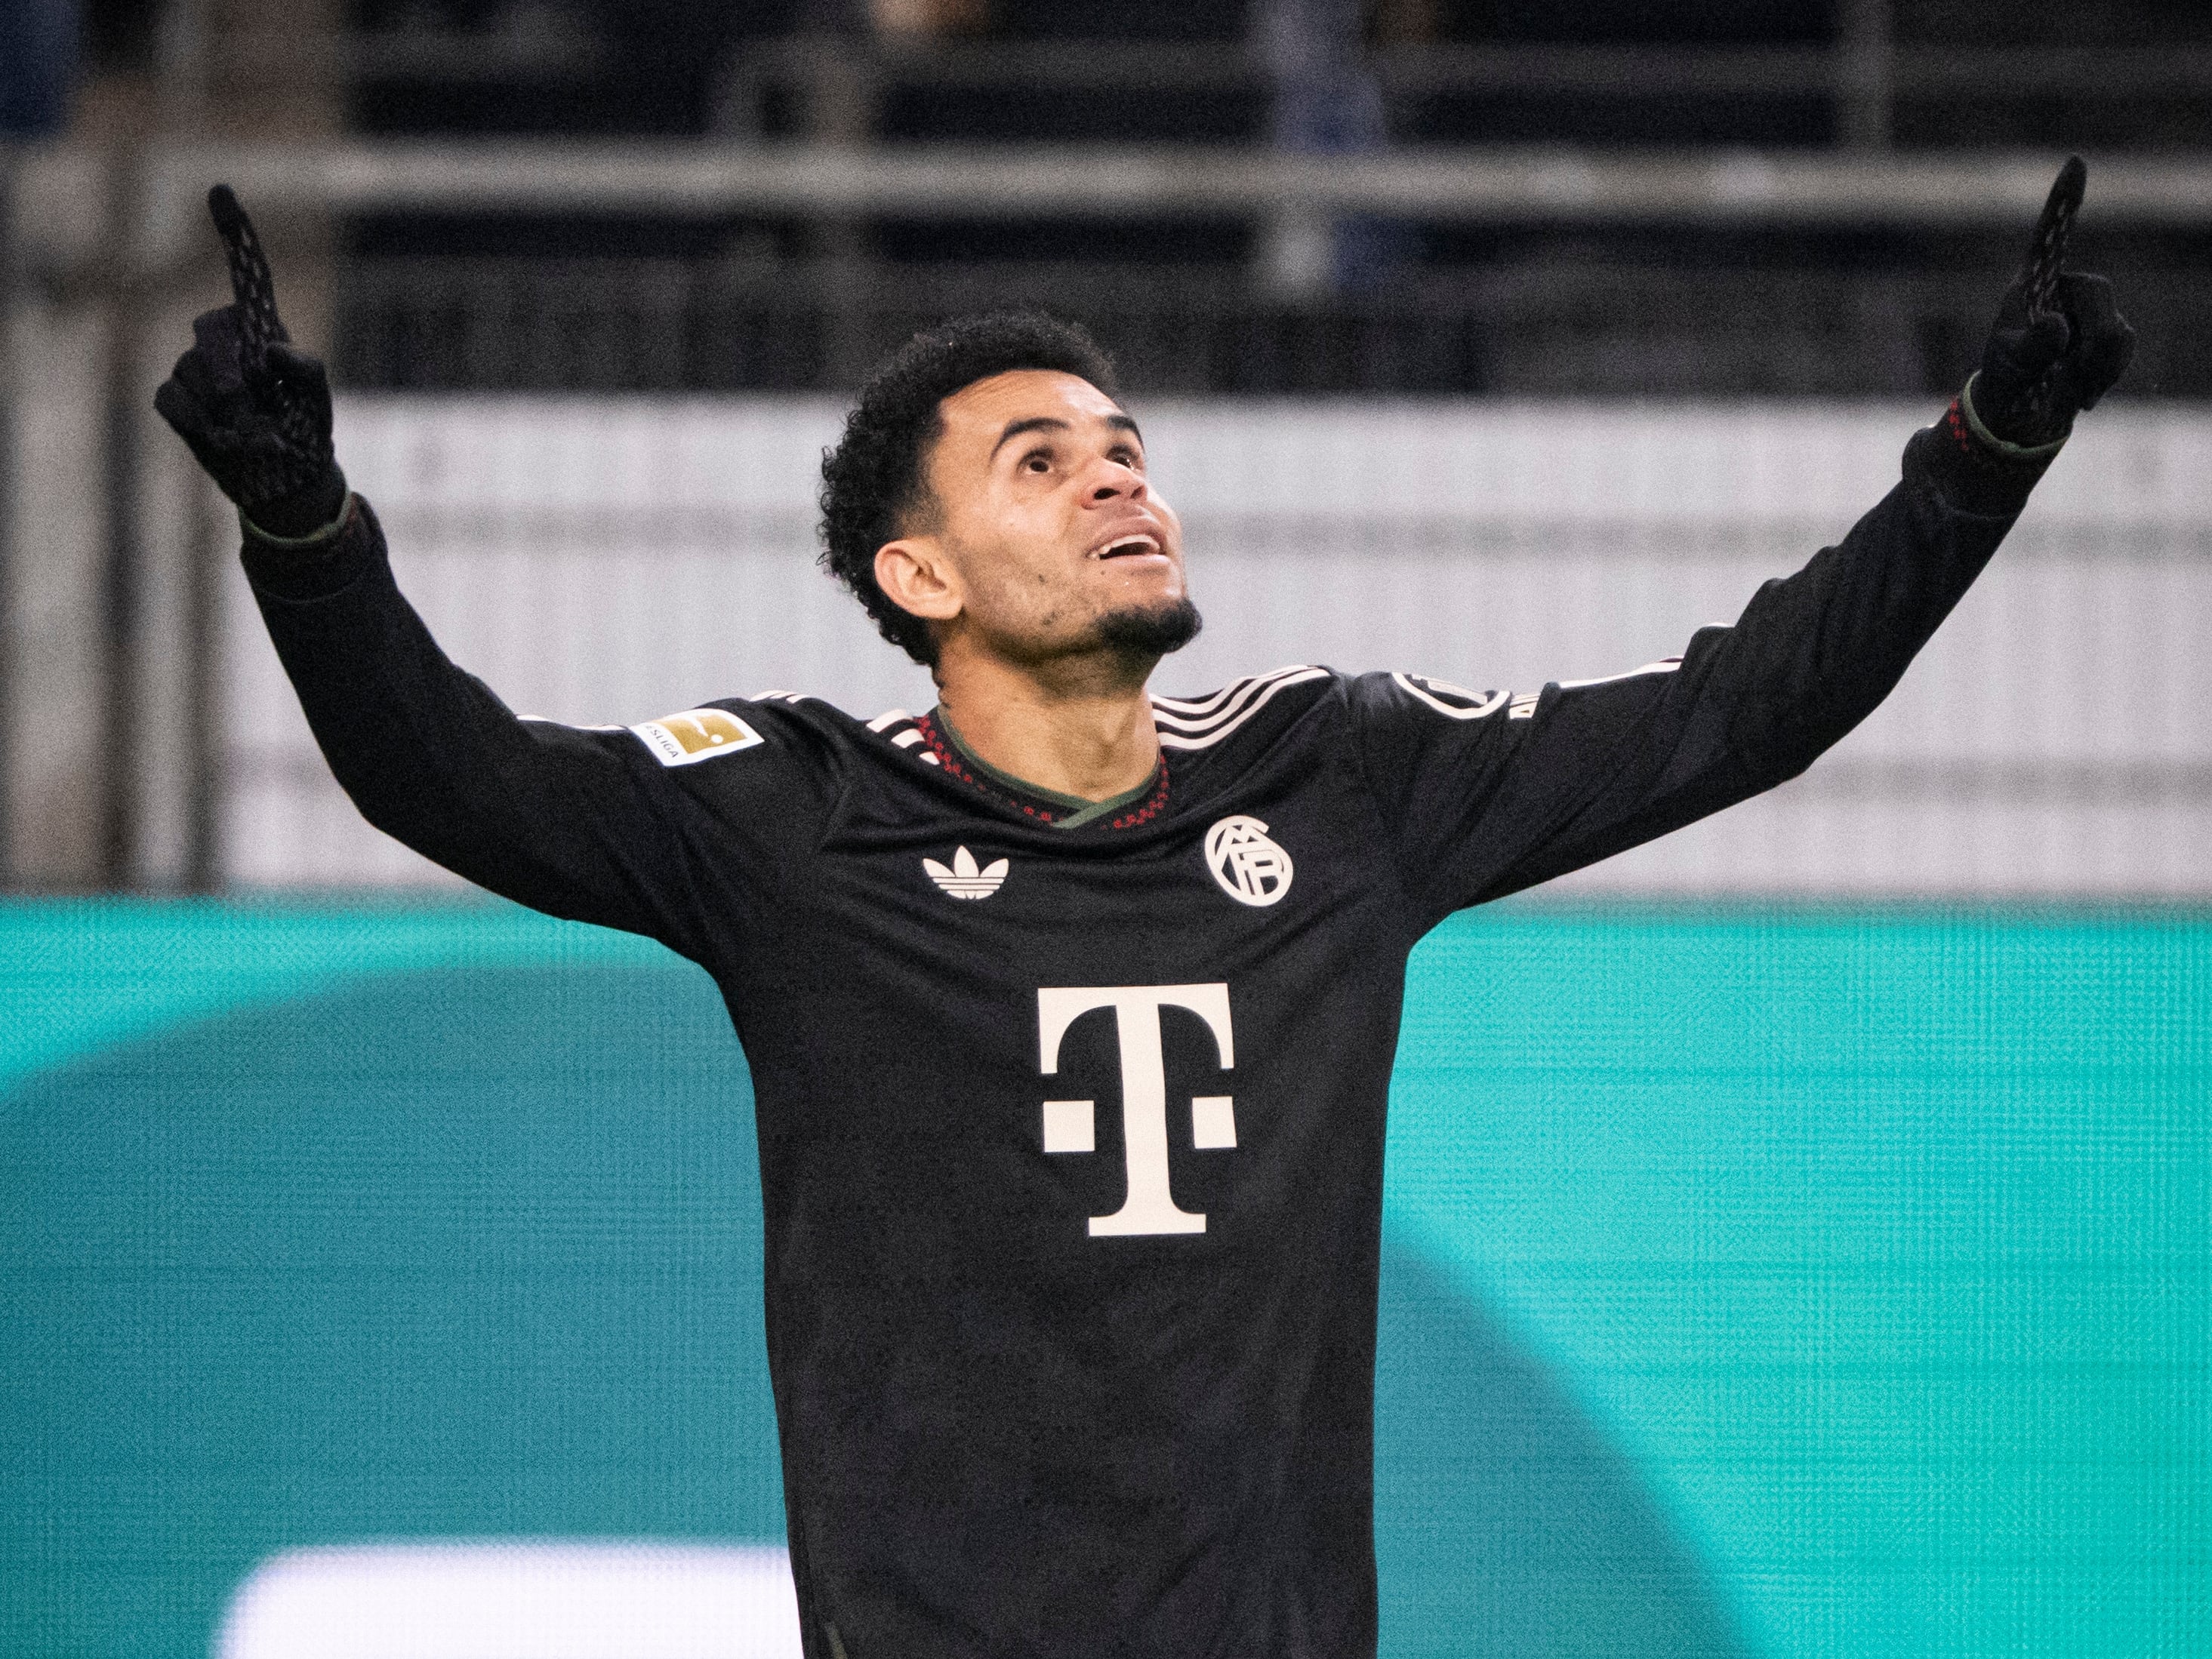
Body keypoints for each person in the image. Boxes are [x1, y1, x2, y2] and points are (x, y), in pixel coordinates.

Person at [156, 168, 2131, 1659]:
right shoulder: (785, 813)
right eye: (1043, 461)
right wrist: (303, 528)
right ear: (917, 575)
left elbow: (1742, 709)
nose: (1118, 483)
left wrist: (1980, 458)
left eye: (1126, 451)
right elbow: (449, 773)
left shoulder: (1337, 776)